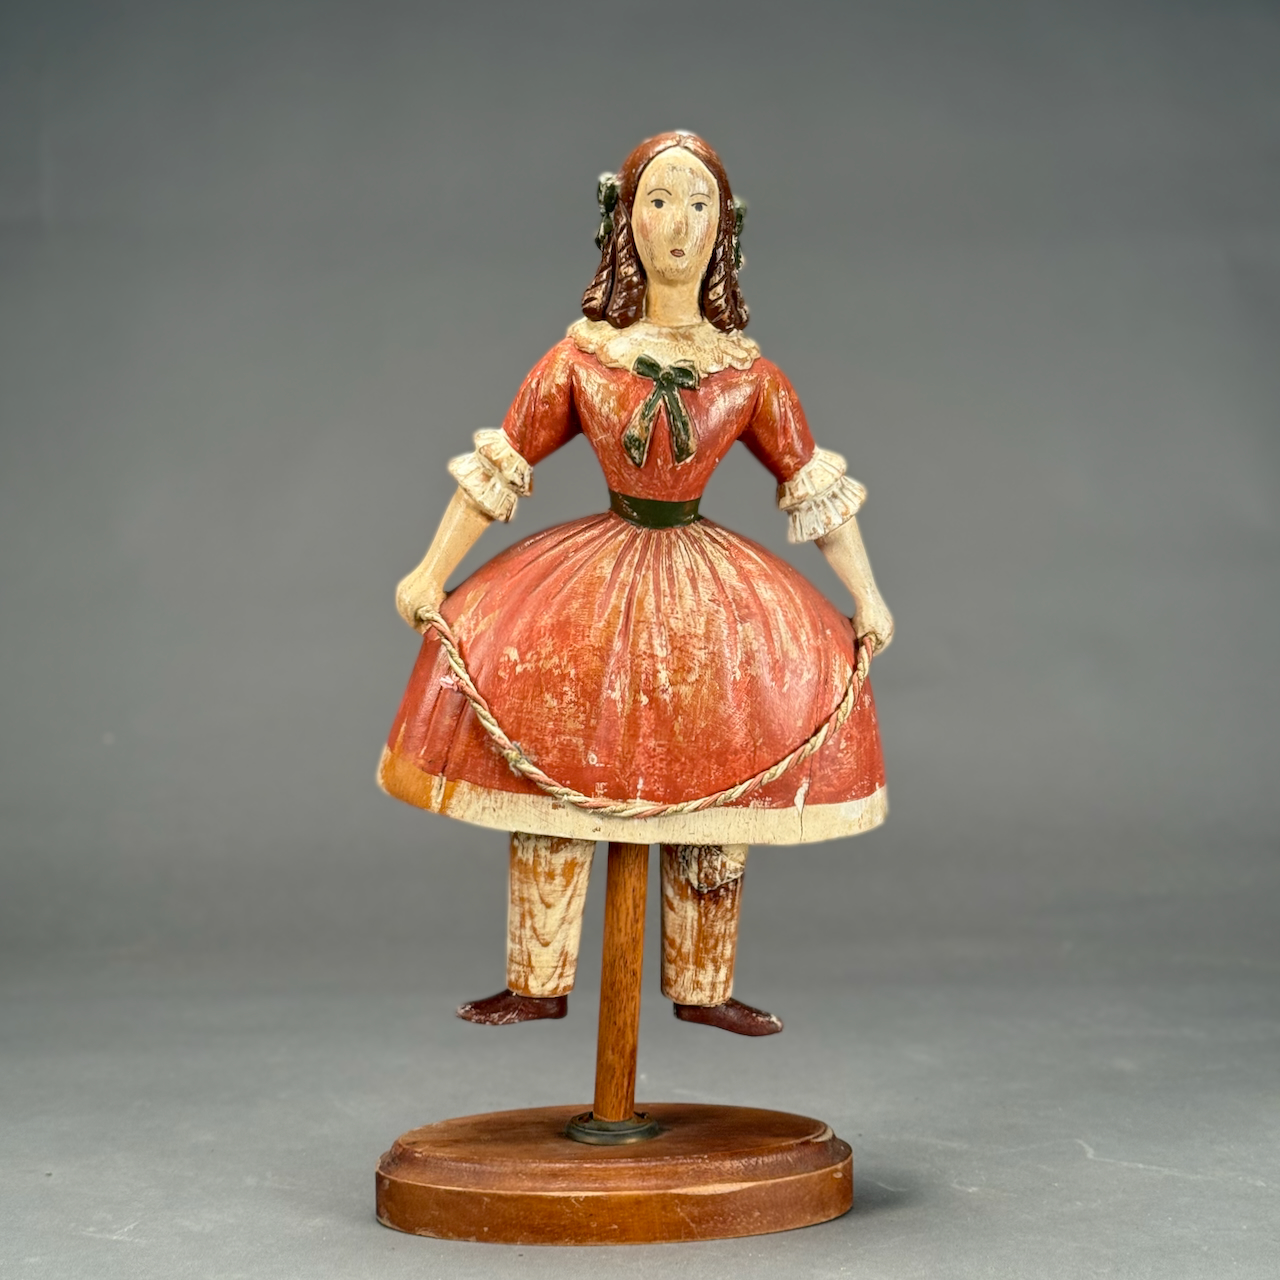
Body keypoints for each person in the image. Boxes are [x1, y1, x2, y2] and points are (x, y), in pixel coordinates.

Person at [380, 131, 893, 1037]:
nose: (679, 225)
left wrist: (869, 594)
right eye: (659, 201)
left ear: (724, 229)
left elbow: (808, 482)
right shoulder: (584, 358)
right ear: (625, 220)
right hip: (591, 582)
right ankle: (537, 975)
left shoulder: (749, 374)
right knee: (554, 748)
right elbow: (503, 462)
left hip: (706, 593)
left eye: (698, 204)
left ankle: (702, 979)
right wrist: (432, 569)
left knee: (721, 759)